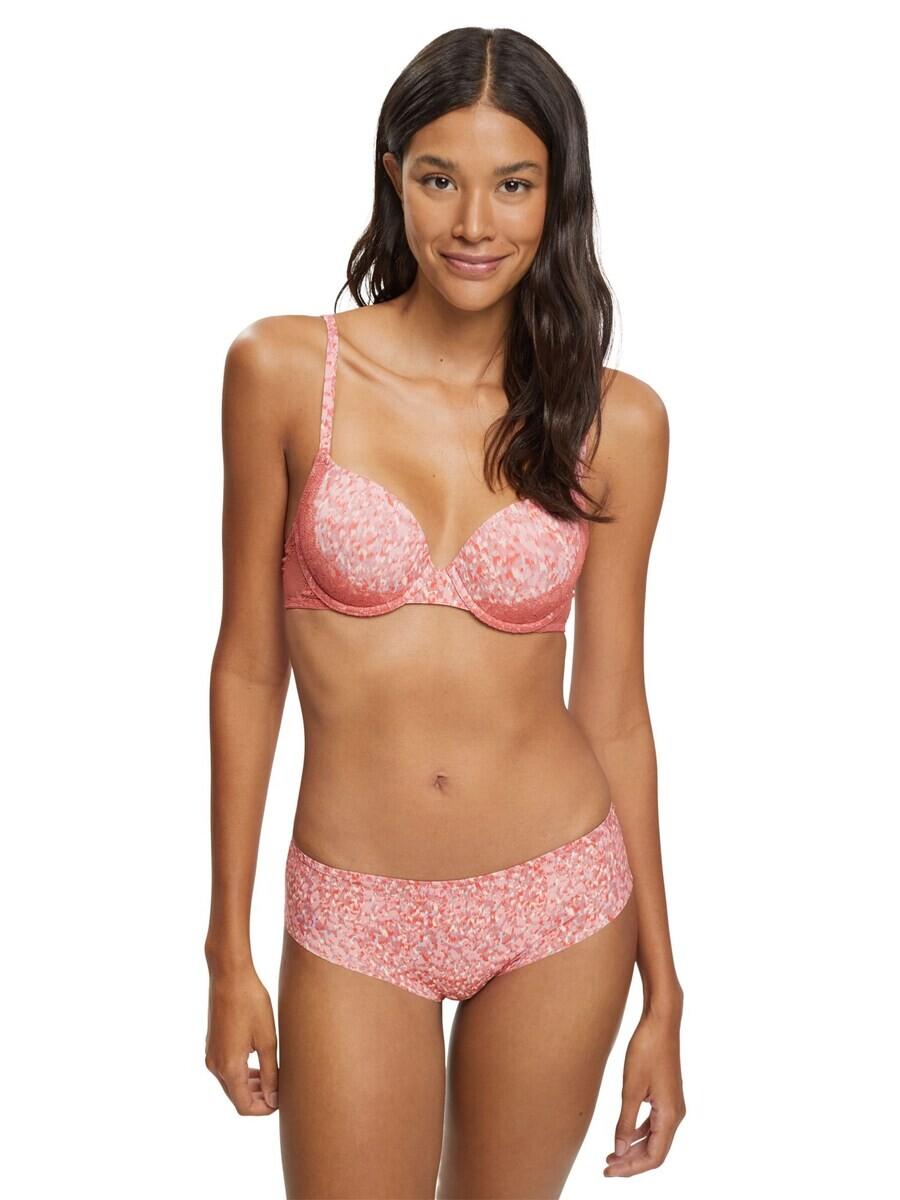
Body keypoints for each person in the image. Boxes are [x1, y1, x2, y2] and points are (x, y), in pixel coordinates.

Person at [204, 25, 685, 1199]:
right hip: (354, 909)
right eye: (439, 180)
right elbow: (248, 670)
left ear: (558, 196)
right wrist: (226, 947)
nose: (475, 222)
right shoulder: (284, 372)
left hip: (561, 902)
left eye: (514, 184)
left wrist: (665, 992)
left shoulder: (615, 421)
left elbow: (615, 713)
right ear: (393, 179)